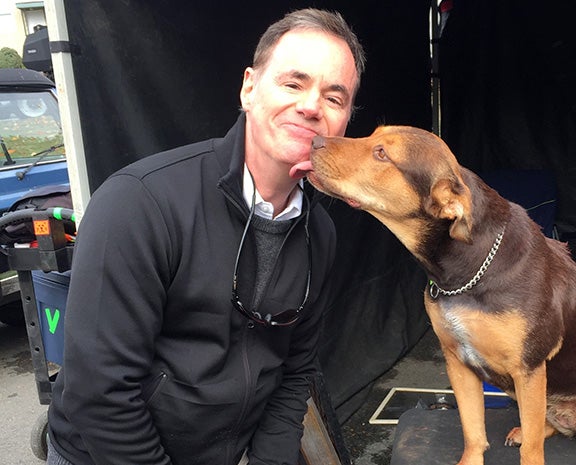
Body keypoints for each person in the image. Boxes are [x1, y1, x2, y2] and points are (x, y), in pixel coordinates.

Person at [46, 8, 365, 465]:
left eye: (334, 98)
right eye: (293, 83)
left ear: (345, 119)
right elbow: (100, 391)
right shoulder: (140, 203)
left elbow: (295, 372)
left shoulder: (321, 233)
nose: (312, 106)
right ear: (249, 88)